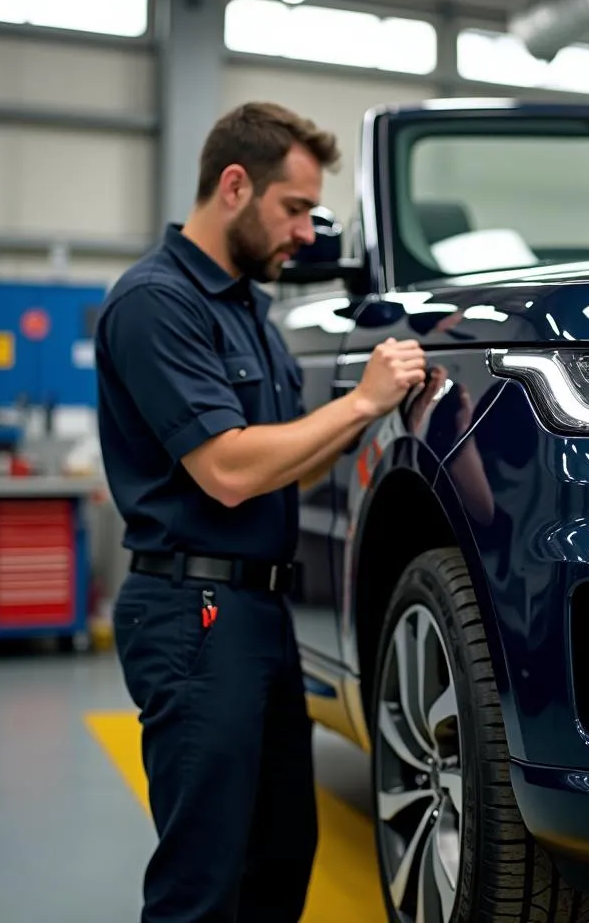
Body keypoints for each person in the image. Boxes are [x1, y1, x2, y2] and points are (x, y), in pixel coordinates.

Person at [94, 101, 427, 923]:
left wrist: (375, 413)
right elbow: (233, 471)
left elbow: (289, 457)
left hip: (258, 614)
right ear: (235, 187)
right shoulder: (156, 303)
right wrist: (359, 406)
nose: (308, 234)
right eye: (293, 210)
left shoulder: (251, 311)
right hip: (193, 613)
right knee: (203, 878)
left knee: (278, 859)